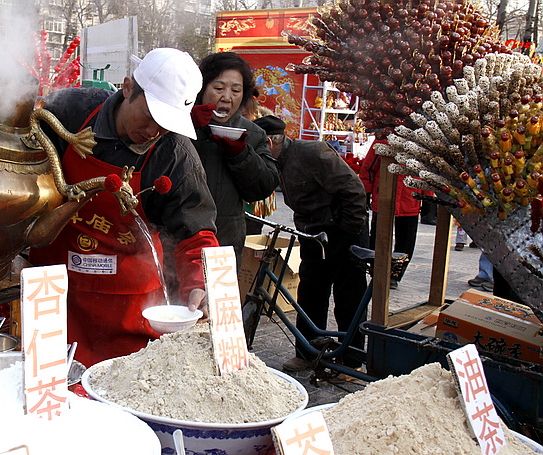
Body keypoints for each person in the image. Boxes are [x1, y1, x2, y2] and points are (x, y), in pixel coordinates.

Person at [27, 48, 220, 367]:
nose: (154, 132)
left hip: (129, 305)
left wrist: (200, 284)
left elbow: (195, 233)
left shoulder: (175, 155)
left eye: (166, 124)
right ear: (128, 87)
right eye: (150, 116)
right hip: (56, 290)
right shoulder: (71, 112)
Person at [254, 115, 368, 372]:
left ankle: (351, 360)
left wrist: (346, 232)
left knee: (349, 297)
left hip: (345, 231)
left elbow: (354, 190)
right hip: (314, 234)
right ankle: (307, 353)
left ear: (270, 143)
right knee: (310, 293)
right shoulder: (277, 163)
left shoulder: (313, 152)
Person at [189, 52, 279, 267]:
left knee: (216, 300)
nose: (227, 97)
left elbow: (262, 188)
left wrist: (240, 153)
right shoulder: (177, 123)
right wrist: (186, 124)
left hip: (224, 240)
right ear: (201, 89)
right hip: (178, 236)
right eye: (219, 88)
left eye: (236, 90)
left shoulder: (254, 134)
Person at [359, 139, 426, 289]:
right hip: (383, 197)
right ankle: (377, 271)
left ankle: (395, 275)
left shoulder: (422, 142)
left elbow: (427, 172)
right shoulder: (384, 139)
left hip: (410, 199)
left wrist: (427, 198)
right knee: (377, 239)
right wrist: (366, 192)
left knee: (406, 242)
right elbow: (369, 168)